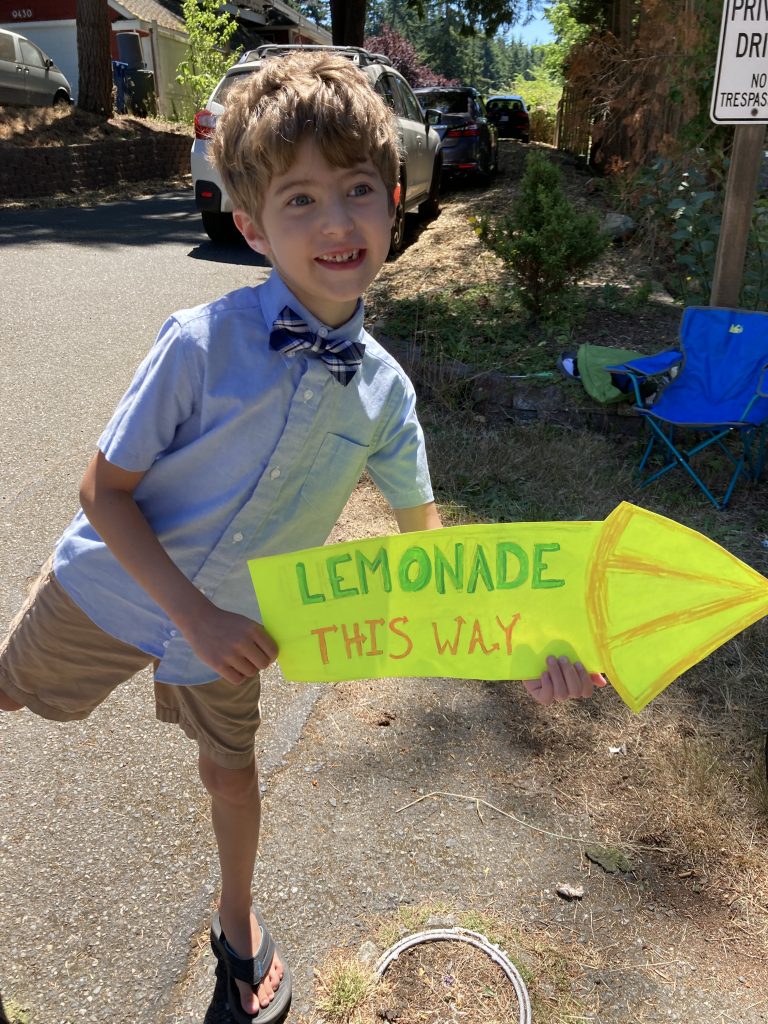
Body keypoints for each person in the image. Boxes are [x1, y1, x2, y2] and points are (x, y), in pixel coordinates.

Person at [0, 50, 604, 1024]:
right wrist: (187, 610)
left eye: (358, 189)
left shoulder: (388, 395)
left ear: (398, 198)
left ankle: (236, 929)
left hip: (238, 628)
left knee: (229, 772)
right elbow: (102, 490)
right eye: (301, 198)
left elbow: (430, 563)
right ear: (250, 223)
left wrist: (532, 649)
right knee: (11, 687)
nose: (336, 221)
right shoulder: (198, 343)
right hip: (111, 586)